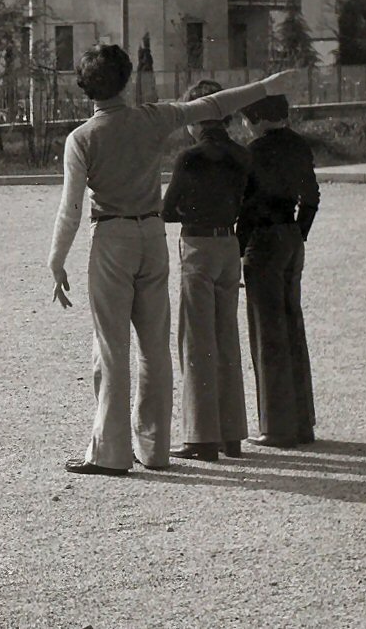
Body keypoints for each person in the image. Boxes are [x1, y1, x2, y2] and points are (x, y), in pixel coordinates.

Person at [48, 45, 296, 476]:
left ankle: (109, 453)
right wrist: (266, 86)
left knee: (111, 349)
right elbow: (213, 104)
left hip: (111, 234)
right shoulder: (152, 117)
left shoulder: (82, 139)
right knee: (154, 347)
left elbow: (70, 208)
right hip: (152, 235)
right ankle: (155, 448)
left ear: (86, 87)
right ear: (127, 79)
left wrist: (57, 258)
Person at [161, 81, 252, 463]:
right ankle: (232, 433)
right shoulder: (242, 155)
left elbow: (168, 210)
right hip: (229, 245)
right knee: (227, 335)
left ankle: (201, 436)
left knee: (197, 341)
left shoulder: (189, 158)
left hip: (198, 245)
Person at [236, 94, 319, 448]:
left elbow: (247, 208)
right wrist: (299, 231)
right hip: (290, 236)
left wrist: (238, 251)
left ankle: (276, 426)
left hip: (263, 241)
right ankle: (302, 423)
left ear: (255, 118)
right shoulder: (300, 145)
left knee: (266, 333)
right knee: (291, 326)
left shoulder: (253, 152)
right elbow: (311, 196)